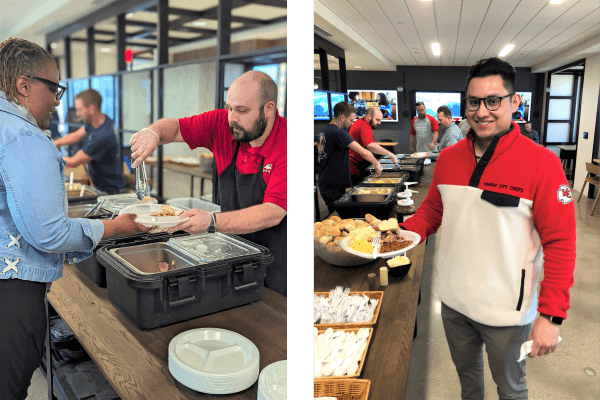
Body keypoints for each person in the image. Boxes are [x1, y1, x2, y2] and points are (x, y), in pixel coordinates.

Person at [398, 57, 575, 399]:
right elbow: (434, 210)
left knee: (510, 388)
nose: (482, 112)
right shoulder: (449, 159)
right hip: (454, 303)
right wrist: (407, 231)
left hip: (507, 311)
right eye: (474, 102)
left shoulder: (543, 164)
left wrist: (551, 316)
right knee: (468, 381)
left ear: (514, 102)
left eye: (493, 100)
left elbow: (561, 244)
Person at [0, 37, 148, 400]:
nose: (56, 101)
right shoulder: (23, 136)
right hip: (13, 288)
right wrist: (116, 227)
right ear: (24, 85)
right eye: (54, 89)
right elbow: (49, 233)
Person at [129, 70, 287, 296]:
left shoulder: (288, 143)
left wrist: (210, 221)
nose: (232, 117)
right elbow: (174, 127)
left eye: (242, 110)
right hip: (232, 254)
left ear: (268, 109)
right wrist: (152, 133)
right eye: (229, 107)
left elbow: (273, 212)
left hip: (277, 264)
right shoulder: (222, 123)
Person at [54, 88, 125, 194]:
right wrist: (55, 143)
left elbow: (74, 162)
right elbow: (77, 135)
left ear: (91, 108)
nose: (77, 113)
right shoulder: (100, 121)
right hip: (100, 184)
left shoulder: (102, 136)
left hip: (109, 190)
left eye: (80, 109)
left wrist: (49, 156)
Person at [317, 102, 383, 214]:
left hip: (325, 183)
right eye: (351, 120)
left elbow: (320, 158)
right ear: (342, 117)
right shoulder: (339, 132)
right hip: (333, 186)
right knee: (338, 218)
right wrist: (377, 164)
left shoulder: (324, 131)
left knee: (337, 215)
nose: (352, 123)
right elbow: (364, 152)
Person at [349, 107, 399, 185]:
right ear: (369, 116)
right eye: (377, 120)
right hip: (355, 165)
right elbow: (371, 146)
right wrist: (389, 154)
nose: (379, 123)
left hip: (356, 163)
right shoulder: (363, 125)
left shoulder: (361, 122)